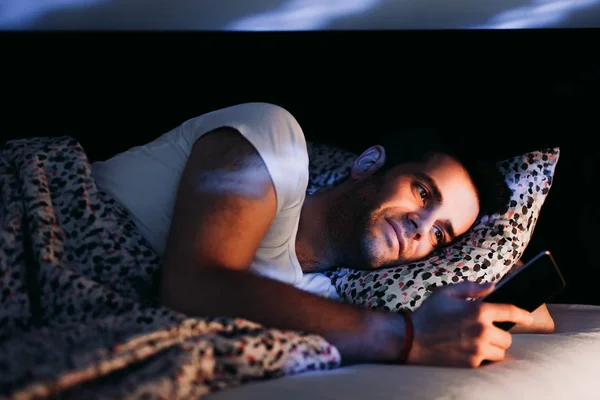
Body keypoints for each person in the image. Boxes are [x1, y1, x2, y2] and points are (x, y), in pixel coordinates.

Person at [92, 102, 554, 369]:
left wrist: (499, 286)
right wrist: (408, 336)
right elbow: (195, 284)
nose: (420, 226)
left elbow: (547, 320)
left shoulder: (316, 300)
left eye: (440, 234)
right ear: (369, 163)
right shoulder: (276, 140)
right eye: (421, 191)